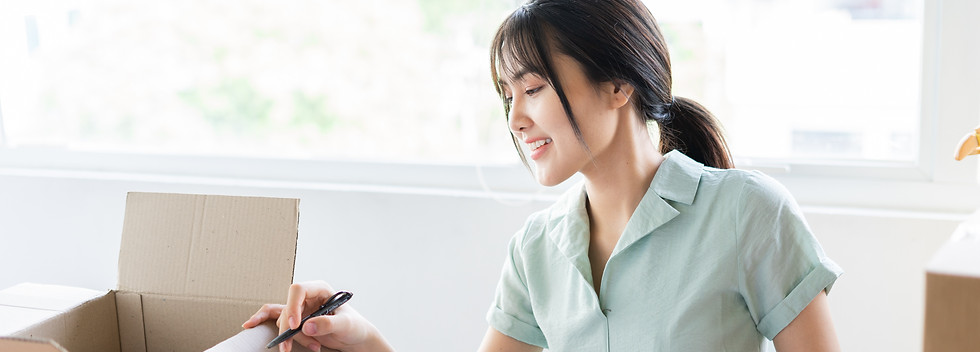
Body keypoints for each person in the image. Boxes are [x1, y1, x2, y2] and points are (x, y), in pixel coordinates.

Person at [242, 0, 844, 351]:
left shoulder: (748, 213)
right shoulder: (536, 251)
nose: (516, 117)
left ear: (618, 84)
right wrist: (363, 340)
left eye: (533, 88)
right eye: (507, 94)